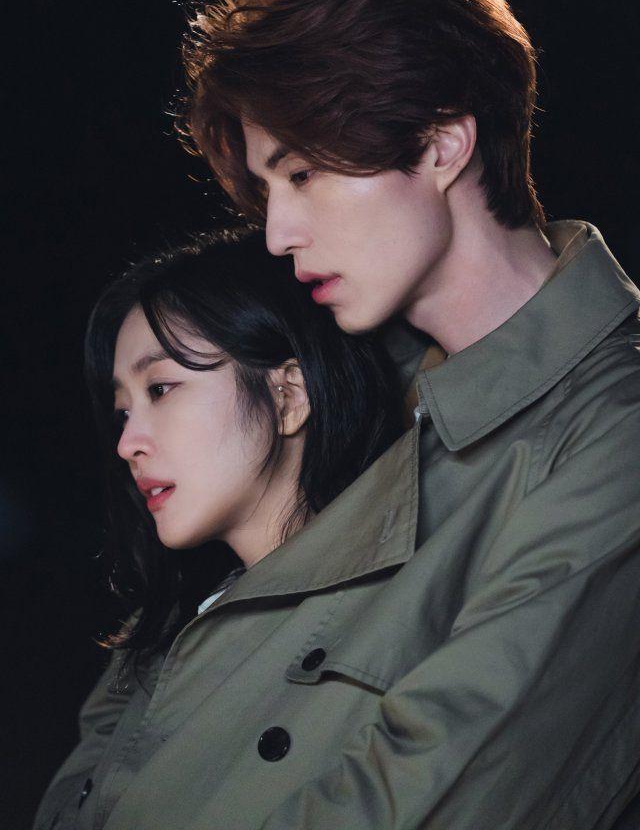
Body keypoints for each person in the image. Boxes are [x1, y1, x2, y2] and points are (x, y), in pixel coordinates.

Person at [176, 0, 640, 829]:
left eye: (303, 175)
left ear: (442, 144)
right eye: (267, 189)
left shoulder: (616, 436)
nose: (277, 233)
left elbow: (437, 788)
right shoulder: (342, 394)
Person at [32, 229, 404, 830]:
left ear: (289, 395)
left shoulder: (392, 607)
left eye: (161, 389)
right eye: (123, 412)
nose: (128, 443)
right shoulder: (159, 634)